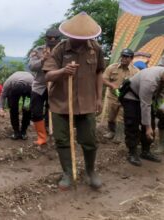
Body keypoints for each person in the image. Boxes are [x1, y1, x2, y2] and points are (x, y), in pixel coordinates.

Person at [43, 12, 105, 190]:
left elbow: (99, 72)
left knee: (90, 140)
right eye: (77, 38)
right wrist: (63, 71)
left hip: (87, 103)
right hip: (61, 103)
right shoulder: (60, 49)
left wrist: (99, 98)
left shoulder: (96, 49)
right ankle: (68, 173)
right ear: (70, 35)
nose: (81, 41)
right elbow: (48, 75)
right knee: (62, 140)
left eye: (85, 38)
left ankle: (91, 172)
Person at [120, 58, 164, 166]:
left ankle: (146, 151)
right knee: (132, 123)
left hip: (147, 98)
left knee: (151, 123)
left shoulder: (161, 76)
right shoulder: (150, 80)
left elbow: (159, 95)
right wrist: (147, 128)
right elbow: (145, 105)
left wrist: (159, 108)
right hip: (131, 97)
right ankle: (132, 152)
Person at [28, 28, 62, 146]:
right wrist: (43, 59)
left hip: (57, 85)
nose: (52, 41)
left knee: (54, 111)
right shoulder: (38, 50)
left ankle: (53, 132)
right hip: (39, 86)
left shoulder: (63, 50)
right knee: (36, 111)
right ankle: (42, 137)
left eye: (55, 40)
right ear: (45, 39)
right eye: (50, 39)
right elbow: (32, 66)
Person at [102, 49, 139, 143]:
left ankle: (119, 136)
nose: (123, 58)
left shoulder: (136, 71)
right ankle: (111, 131)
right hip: (113, 97)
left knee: (122, 117)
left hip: (126, 98)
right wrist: (111, 85)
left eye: (126, 57)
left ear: (131, 58)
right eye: (122, 56)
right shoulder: (112, 68)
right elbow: (103, 80)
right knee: (111, 116)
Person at [0, 71, 33, 140]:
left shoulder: (32, 83)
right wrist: (1, 108)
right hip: (14, 89)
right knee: (13, 109)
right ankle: (16, 131)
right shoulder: (9, 83)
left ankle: (23, 131)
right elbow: (2, 95)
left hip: (28, 90)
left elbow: (36, 95)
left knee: (27, 110)